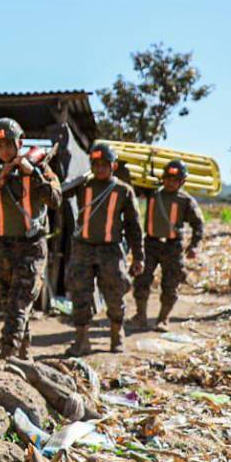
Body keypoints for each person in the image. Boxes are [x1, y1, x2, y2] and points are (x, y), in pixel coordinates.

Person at [0, 118, 61, 360]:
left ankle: (7, 355)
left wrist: (34, 176)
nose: (4, 151)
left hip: (32, 246)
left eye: (8, 145)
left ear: (19, 143)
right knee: (11, 304)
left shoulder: (41, 168)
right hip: (4, 247)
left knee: (19, 304)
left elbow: (55, 200)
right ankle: (24, 355)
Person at [63, 142, 144, 355]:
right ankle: (82, 340)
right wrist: (76, 179)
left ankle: (117, 336)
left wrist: (138, 257)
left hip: (111, 250)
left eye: (104, 165)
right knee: (80, 294)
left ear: (113, 166)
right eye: (95, 164)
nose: (100, 169)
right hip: (83, 248)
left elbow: (134, 226)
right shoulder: (83, 186)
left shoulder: (123, 191)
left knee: (115, 294)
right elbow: (60, 194)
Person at [130, 159, 204, 331]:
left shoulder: (186, 201)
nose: (171, 183)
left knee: (170, 283)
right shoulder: (152, 193)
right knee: (141, 279)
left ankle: (163, 319)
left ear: (182, 182)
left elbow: (198, 224)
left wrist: (194, 245)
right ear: (163, 178)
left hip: (173, 247)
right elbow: (133, 186)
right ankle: (140, 316)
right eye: (168, 179)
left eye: (176, 180)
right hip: (150, 244)